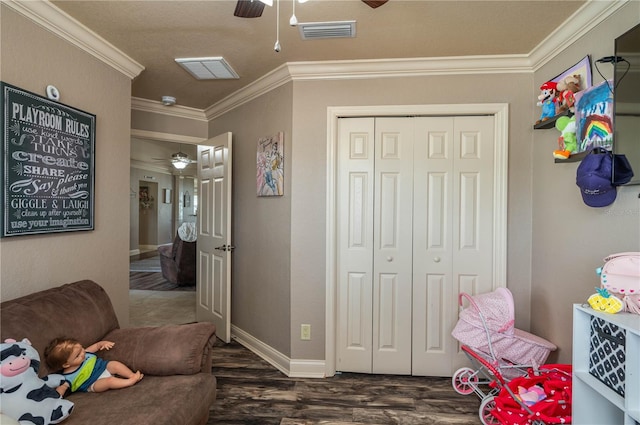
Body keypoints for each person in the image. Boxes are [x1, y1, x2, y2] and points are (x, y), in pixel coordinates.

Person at [44, 337, 143, 396]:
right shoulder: (67, 378)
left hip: (104, 368)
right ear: (66, 364)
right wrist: (57, 398)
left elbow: (97, 346)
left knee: (114, 364)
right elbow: (61, 389)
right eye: (77, 355)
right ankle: (129, 382)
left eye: (81, 348)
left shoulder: (84, 352)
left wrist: (103, 343)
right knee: (109, 381)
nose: (83, 353)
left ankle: (132, 375)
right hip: (93, 384)